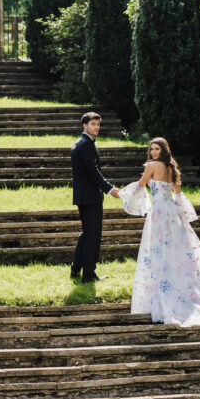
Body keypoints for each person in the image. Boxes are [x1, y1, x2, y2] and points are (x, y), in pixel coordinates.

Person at [119, 137, 200, 326]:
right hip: (172, 212)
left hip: (159, 213)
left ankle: (165, 296)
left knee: (159, 251)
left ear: (163, 150)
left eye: (157, 149)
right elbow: (178, 193)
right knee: (177, 252)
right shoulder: (171, 168)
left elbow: (141, 185)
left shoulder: (151, 165)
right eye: (152, 149)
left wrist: (122, 194)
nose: (153, 152)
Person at [70, 111, 120, 283]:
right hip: (90, 197)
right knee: (93, 236)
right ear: (85, 126)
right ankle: (89, 274)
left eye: (98, 124)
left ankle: (76, 268)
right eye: (93, 124)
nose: (97, 127)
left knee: (87, 234)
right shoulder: (85, 145)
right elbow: (93, 172)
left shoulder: (81, 143)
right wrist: (110, 189)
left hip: (84, 196)